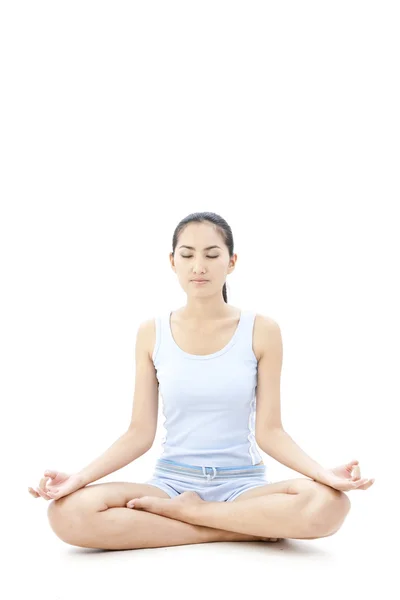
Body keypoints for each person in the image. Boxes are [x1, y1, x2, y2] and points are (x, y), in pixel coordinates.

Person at [28, 211, 373, 550]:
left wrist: (323, 475)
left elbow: (271, 432)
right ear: (172, 261)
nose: (199, 266)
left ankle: (198, 515)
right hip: (171, 484)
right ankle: (230, 529)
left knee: (330, 505)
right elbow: (138, 433)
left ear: (232, 261)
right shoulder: (152, 332)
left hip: (242, 486)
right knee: (67, 514)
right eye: (187, 254)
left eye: (212, 255)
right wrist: (80, 478)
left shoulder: (262, 330)